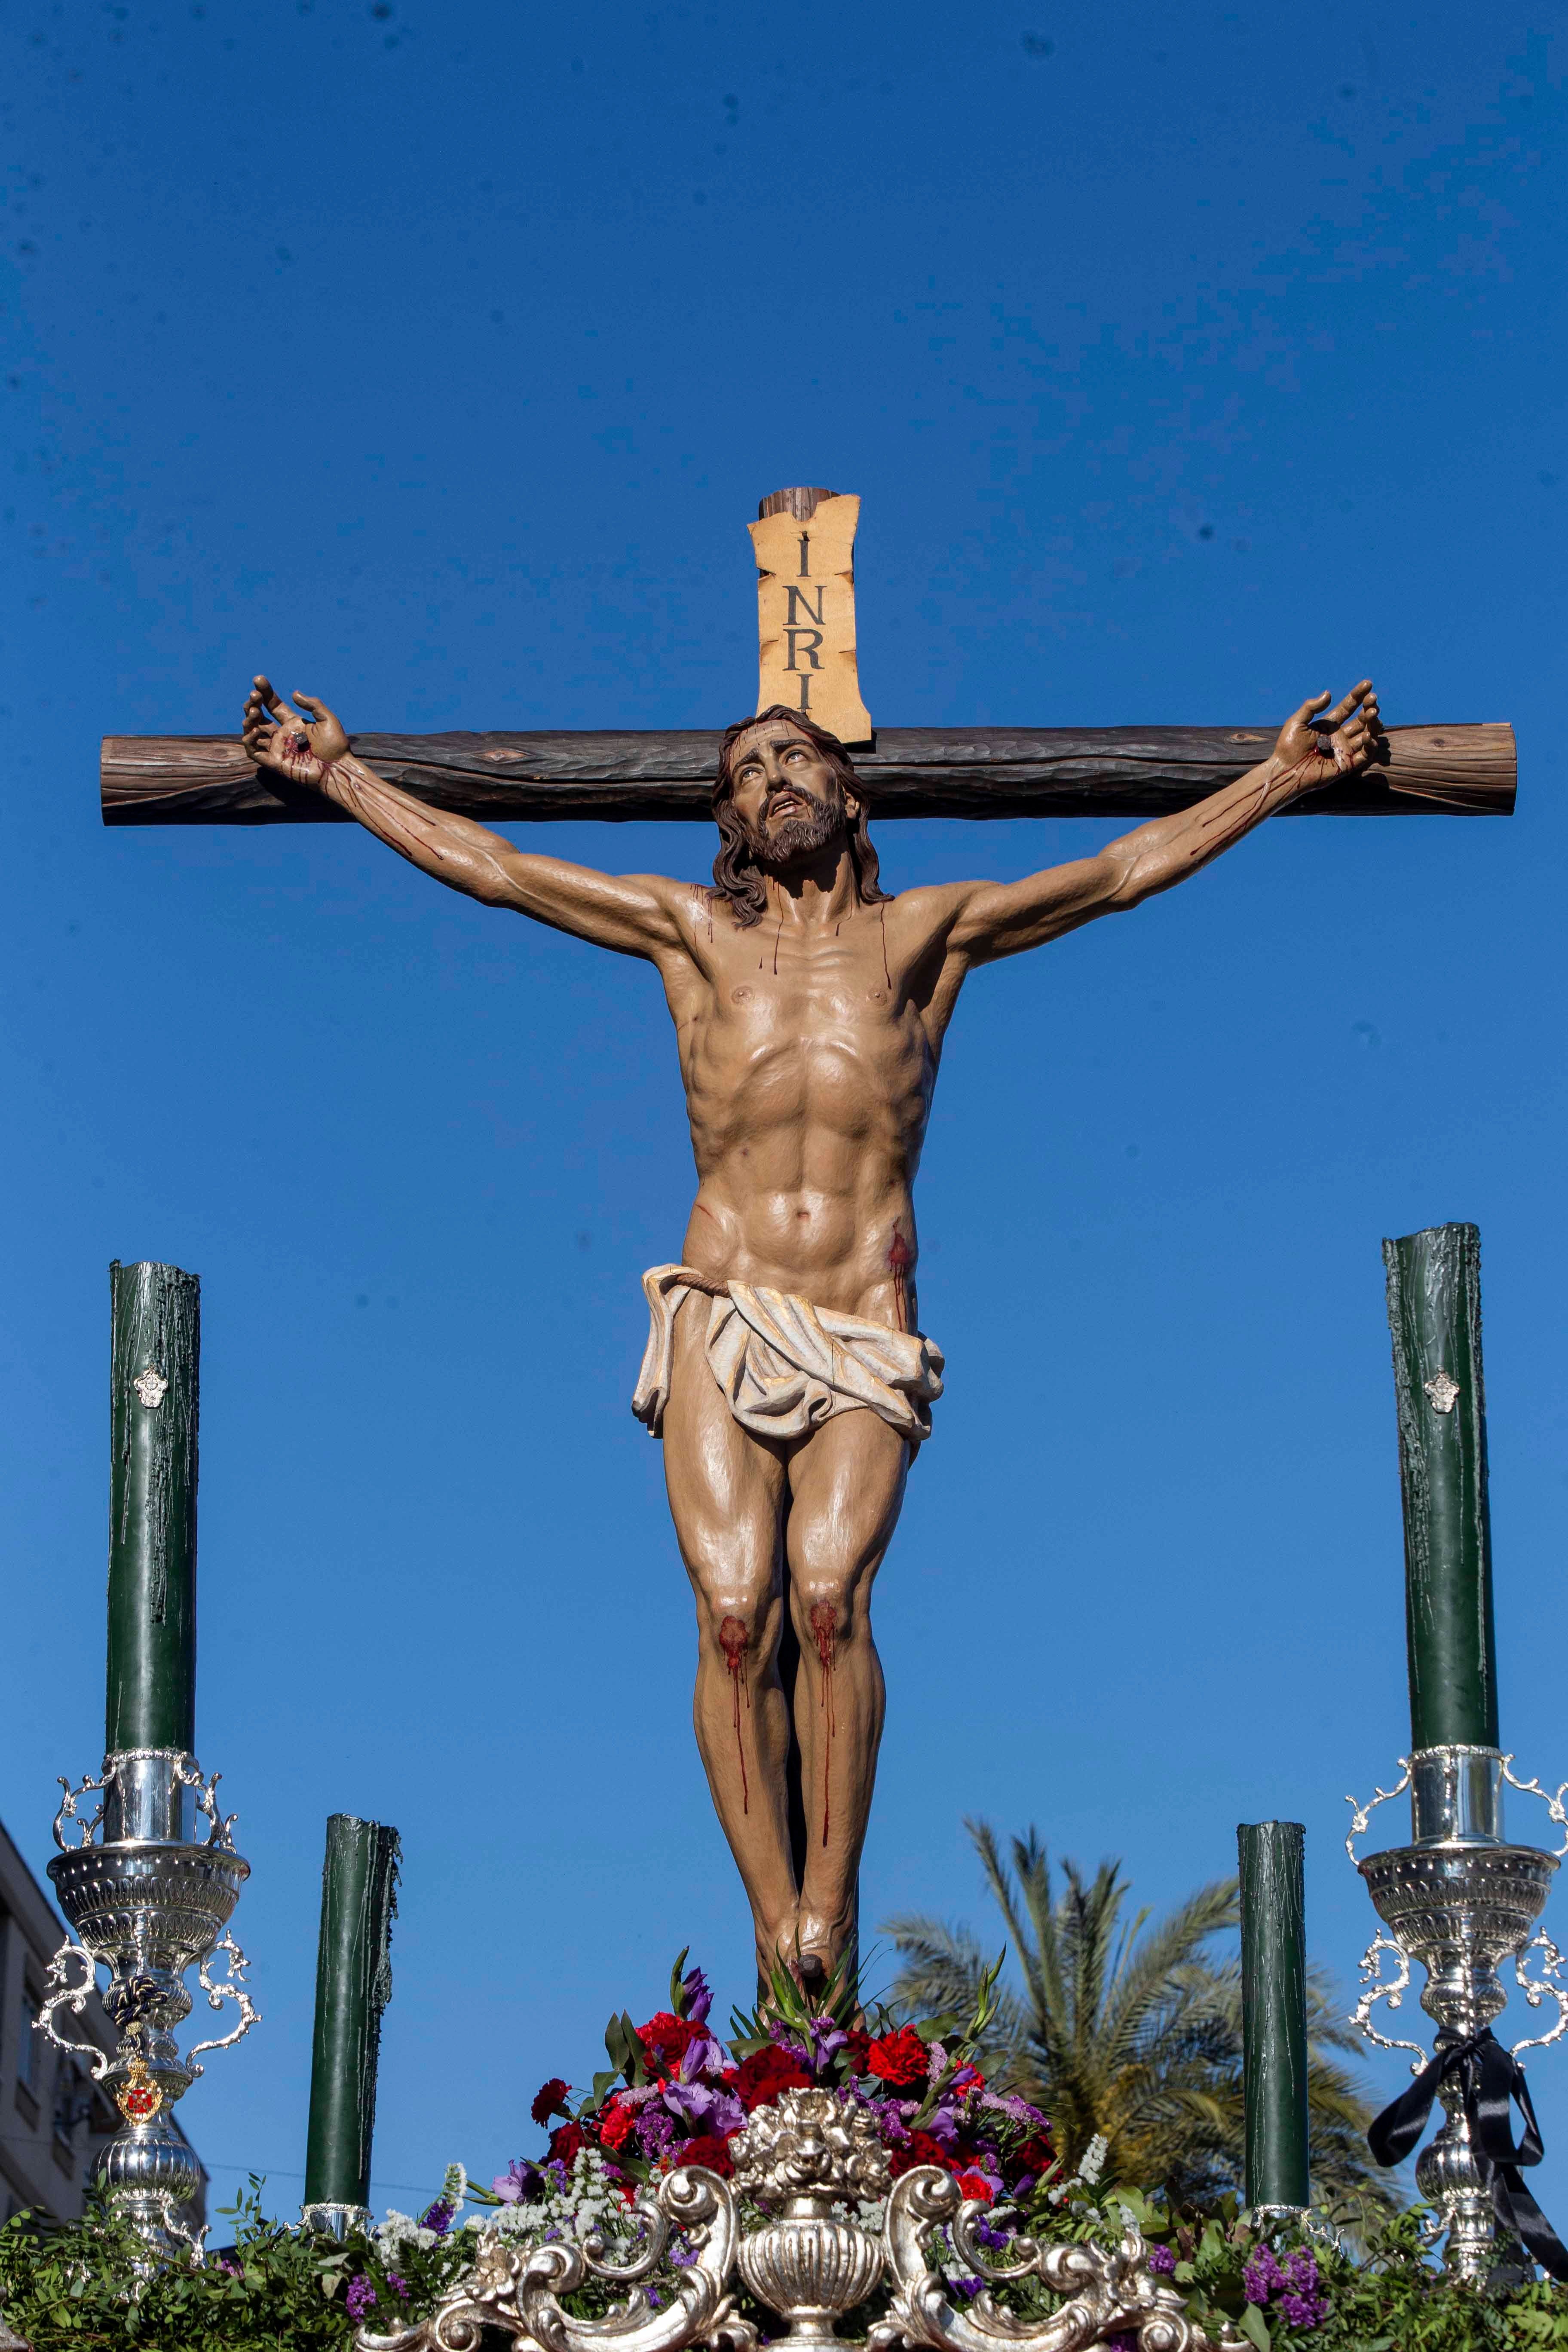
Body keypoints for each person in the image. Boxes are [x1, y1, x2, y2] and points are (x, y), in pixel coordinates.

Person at [241, 674, 1381, 1991]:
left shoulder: (926, 941)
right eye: (745, 773)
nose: (772, 780)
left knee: (828, 1598)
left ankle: (829, 1900)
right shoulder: (688, 939)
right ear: (726, 820)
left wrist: (1281, 777)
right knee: (737, 1618)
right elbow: (497, 868)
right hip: (723, 1311)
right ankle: (778, 1926)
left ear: (848, 792)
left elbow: (1120, 870)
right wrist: (342, 778)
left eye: (796, 759)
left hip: (859, 1320)